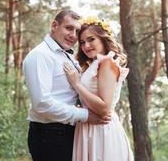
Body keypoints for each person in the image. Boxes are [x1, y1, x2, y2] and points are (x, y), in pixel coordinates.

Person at [22, 10, 110, 161]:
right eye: (69, 28)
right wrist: (86, 115)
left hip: (69, 133)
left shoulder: (65, 55)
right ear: (54, 25)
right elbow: (42, 104)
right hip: (49, 136)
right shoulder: (40, 55)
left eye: (77, 31)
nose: (73, 36)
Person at [63, 16, 134, 161]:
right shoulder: (93, 64)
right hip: (86, 128)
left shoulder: (106, 63)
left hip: (101, 130)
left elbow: (104, 108)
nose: (86, 46)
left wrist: (77, 84)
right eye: (82, 42)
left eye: (91, 39)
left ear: (103, 39)